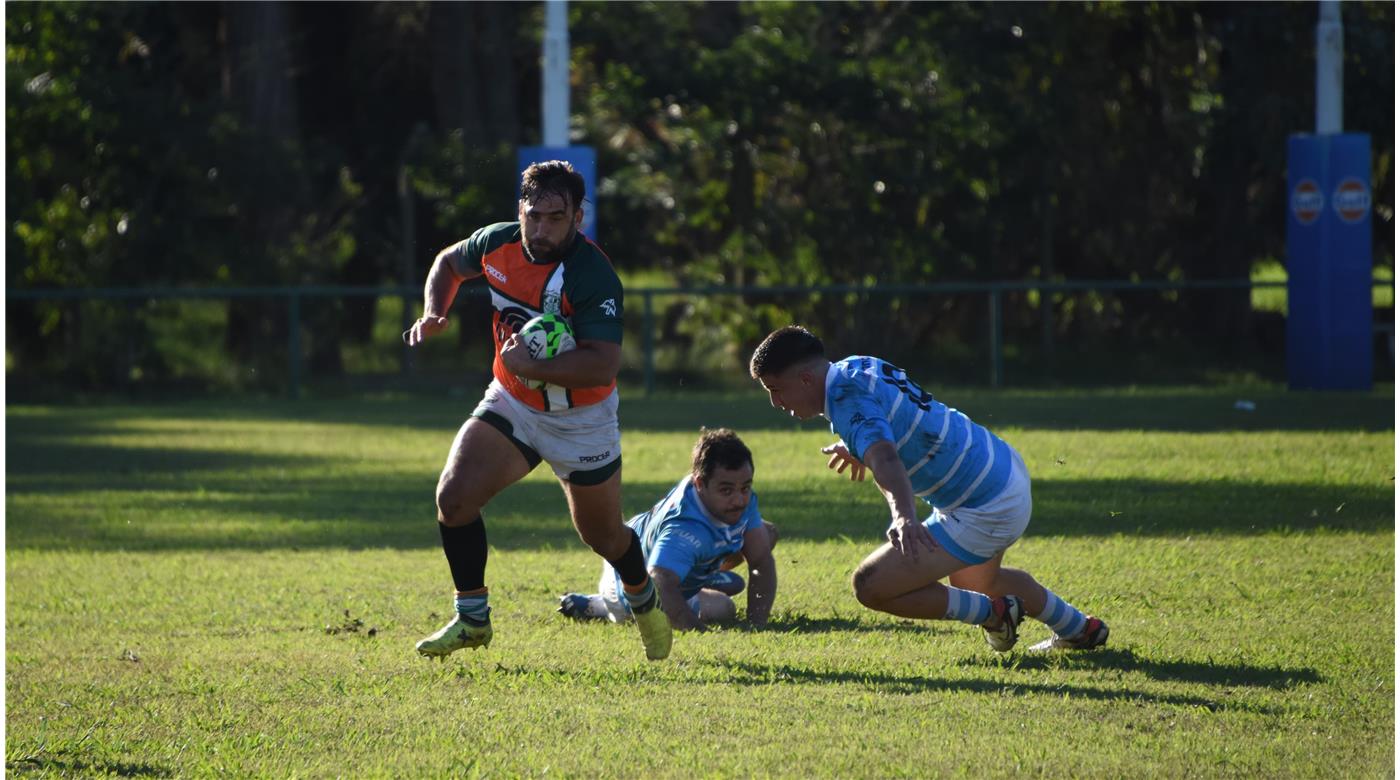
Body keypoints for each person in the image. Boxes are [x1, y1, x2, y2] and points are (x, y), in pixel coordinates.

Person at [405, 161, 672, 661]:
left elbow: (602, 364)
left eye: (556, 217)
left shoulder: (592, 276)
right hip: (513, 401)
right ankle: (473, 619)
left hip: (581, 420)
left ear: (577, 217)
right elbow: (447, 264)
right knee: (454, 497)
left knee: (603, 535)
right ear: (519, 211)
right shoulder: (497, 243)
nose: (542, 229)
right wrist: (435, 311)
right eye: (534, 216)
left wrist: (535, 364)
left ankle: (643, 598)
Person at [748, 326, 1107, 652]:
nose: (776, 403)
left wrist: (903, 516)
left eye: (776, 390)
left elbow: (886, 458)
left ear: (807, 380)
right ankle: (1080, 629)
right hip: (999, 467)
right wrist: (860, 446)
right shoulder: (855, 365)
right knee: (979, 581)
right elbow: (895, 417)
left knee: (870, 585)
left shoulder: (845, 401)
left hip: (984, 504)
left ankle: (996, 614)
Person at [558, 428, 779, 631]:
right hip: (627, 580)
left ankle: (698, 573)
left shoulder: (727, 494)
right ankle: (599, 606)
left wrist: (757, 623)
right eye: (727, 490)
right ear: (700, 483)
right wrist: (701, 632)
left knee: (765, 534)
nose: (739, 499)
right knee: (724, 608)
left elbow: (762, 561)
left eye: (745, 487)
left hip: (655, 551)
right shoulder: (682, 530)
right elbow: (658, 583)